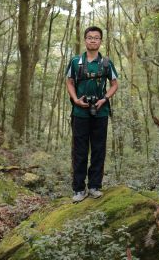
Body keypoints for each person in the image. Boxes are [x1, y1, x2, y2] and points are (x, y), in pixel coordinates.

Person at [65, 26, 118, 203]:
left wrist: (104, 99)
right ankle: (79, 189)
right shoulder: (75, 62)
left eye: (96, 38)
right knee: (79, 151)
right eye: (90, 37)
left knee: (98, 149)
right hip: (80, 112)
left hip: (100, 111)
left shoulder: (106, 63)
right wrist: (75, 99)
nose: (93, 40)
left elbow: (114, 84)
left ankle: (95, 186)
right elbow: (70, 82)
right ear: (85, 40)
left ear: (101, 41)